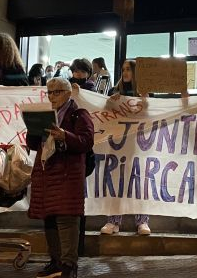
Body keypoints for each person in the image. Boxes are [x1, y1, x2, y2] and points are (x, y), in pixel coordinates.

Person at [27, 78, 95, 278]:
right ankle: (55, 261)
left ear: (68, 93)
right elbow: (33, 145)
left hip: (67, 174)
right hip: (46, 173)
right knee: (49, 218)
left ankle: (68, 265)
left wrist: (65, 135)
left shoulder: (78, 114)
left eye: (56, 92)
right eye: (49, 92)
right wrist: (32, 130)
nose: (52, 96)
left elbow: (86, 141)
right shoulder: (46, 115)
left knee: (66, 219)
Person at [101, 60, 152, 236]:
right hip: (118, 145)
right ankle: (113, 221)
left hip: (139, 145)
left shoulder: (146, 93)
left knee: (139, 181)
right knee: (116, 181)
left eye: (128, 69)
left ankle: (142, 221)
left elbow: (152, 118)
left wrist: (145, 100)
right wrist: (110, 103)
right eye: (123, 70)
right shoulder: (114, 92)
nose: (125, 73)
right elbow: (105, 116)